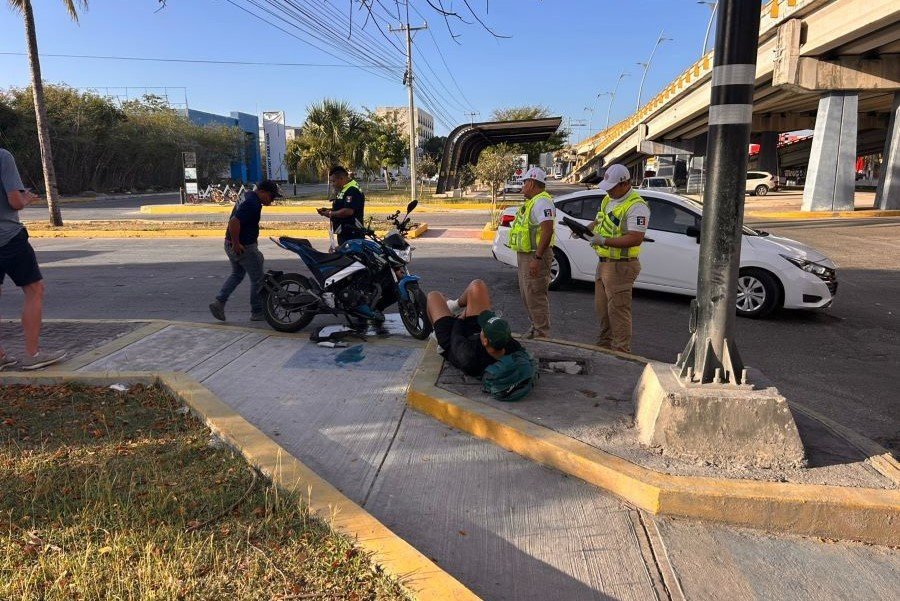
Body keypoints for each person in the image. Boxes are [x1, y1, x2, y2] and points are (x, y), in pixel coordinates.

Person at [0, 148, 67, 370]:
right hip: (7, 237)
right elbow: (15, 201)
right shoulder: (3, 156)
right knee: (34, 289)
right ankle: (32, 354)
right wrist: (26, 198)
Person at [585, 164, 650, 354]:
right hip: (604, 264)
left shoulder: (636, 206)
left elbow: (635, 238)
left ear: (625, 184)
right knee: (603, 311)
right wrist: (587, 229)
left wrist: (603, 240)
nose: (609, 191)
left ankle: (621, 351)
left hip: (621, 267)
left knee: (618, 311)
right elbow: (600, 220)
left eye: (612, 187)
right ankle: (604, 346)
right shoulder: (608, 199)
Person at [209, 180, 281, 322]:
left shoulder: (248, 195)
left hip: (229, 244)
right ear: (262, 192)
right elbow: (234, 222)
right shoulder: (252, 204)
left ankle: (219, 302)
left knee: (237, 274)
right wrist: (237, 243)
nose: (272, 201)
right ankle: (257, 311)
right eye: (271, 197)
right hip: (243, 247)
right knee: (258, 280)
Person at [426, 279, 525, 378]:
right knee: (477, 285)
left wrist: (460, 318)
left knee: (433, 296)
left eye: (483, 329)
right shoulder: (511, 347)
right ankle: (454, 305)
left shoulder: (469, 356)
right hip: (472, 334)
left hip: (453, 341)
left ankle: (437, 330)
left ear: (485, 341)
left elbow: (456, 336)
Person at [507, 166, 555, 338]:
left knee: (535, 295)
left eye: (525, 182)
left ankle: (542, 333)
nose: (522, 186)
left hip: (535, 256)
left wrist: (537, 257)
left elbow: (547, 231)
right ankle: (536, 328)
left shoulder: (543, 202)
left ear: (532, 183)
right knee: (528, 294)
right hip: (527, 255)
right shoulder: (533, 202)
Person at [317, 166, 365, 245]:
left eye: (333, 181)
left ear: (341, 178)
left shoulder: (352, 190)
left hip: (352, 233)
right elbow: (341, 207)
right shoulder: (344, 189)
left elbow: (348, 211)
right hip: (344, 231)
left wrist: (330, 213)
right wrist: (328, 210)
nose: (332, 184)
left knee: (350, 257)